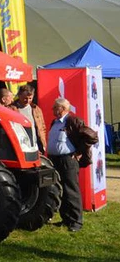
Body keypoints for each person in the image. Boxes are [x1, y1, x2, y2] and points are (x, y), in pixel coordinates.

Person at [47, 97, 84, 232]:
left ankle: (76, 221)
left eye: (55, 108)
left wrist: (80, 152)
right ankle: (66, 218)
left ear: (61, 109)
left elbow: (91, 137)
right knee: (61, 190)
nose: (53, 110)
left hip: (67, 160)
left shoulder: (73, 121)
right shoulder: (55, 122)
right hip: (55, 160)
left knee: (71, 190)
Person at [15, 85, 47, 154]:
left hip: (36, 146)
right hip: (20, 146)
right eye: (25, 98)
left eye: (30, 98)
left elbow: (42, 127)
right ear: (19, 95)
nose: (27, 101)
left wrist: (43, 143)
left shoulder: (36, 109)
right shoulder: (12, 109)